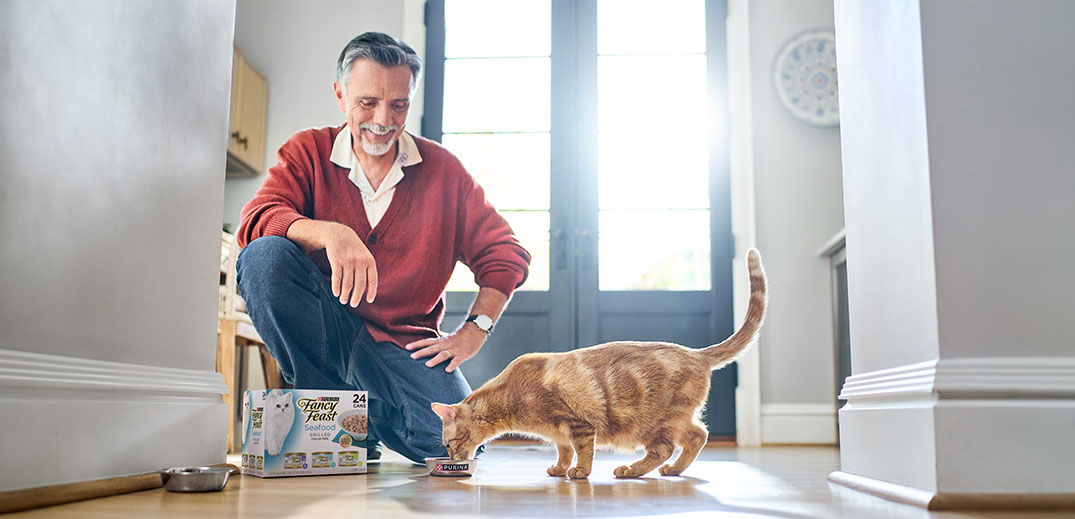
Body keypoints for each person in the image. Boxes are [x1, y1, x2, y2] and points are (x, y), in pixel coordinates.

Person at [235, 32, 530, 463]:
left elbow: (505, 253)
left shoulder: (444, 172)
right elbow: (257, 219)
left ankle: (360, 424)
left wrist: (474, 332)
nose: (383, 119)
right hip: (324, 330)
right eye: (367, 102)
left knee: (459, 442)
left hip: (402, 343)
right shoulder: (307, 152)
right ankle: (330, 405)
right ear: (340, 95)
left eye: (398, 105)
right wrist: (329, 233)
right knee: (263, 256)